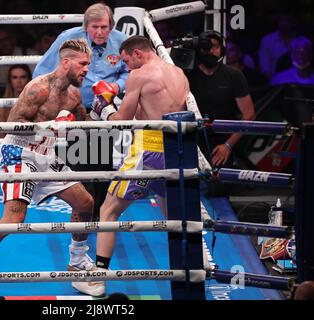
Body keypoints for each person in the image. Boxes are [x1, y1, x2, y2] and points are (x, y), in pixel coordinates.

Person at [0, 39, 101, 297]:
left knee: (85, 203)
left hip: (47, 154)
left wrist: (102, 112)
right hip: (18, 152)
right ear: (66, 62)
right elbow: (12, 125)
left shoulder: (75, 95)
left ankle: (77, 261)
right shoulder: (38, 89)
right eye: (83, 64)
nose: (87, 69)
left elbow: (84, 128)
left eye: (88, 64)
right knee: (14, 218)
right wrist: (48, 126)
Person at [88, 35, 190, 296]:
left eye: (127, 61)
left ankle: (98, 279)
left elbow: (122, 120)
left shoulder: (140, 74)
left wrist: (104, 105)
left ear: (137, 53)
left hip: (149, 149)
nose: (127, 68)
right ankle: (190, 275)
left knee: (107, 212)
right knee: (174, 220)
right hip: (177, 151)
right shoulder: (179, 73)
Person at [33, 2, 129, 222]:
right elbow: (42, 71)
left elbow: (130, 71)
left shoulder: (120, 40)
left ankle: (101, 214)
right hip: (74, 109)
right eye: (95, 27)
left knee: (104, 163)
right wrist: (55, 99)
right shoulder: (68, 39)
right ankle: (83, 215)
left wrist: (116, 87)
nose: (100, 32)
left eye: (104, 27)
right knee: (78, 162)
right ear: (86, 26)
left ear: (111, 25)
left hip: (105, 110)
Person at [187, 31, 255, 174]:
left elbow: (249, 115)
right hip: (192, 140)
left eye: (215, 47)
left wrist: (228, 145)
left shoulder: (234, 75)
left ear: (222, 49)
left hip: (222, 142)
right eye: (206, 46)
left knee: (219, 189)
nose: (211, 51)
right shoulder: (186, 75)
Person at [0, 64, 32, 138]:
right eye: (15, 77)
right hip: (10, 145)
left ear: (29, 79)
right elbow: (1, 135)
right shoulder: (3, 105)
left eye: (23, 77)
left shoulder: (37, 101)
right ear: (10, 81)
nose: (19, 81)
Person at [259, 13, 297, 80]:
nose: (284, 23)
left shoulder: (301, 41)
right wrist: (275, 82)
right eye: (282, 20)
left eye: (288, 20)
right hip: (275, 82)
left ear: (293, 22)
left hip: (298, 82)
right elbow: (265, 68)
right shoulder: (267, 40)